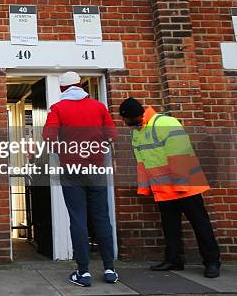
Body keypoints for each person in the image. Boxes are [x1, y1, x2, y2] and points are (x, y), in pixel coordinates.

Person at [119, 98, 221, 278]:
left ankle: (212, 262)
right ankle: (173, 260)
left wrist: (181, 185)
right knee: (170, 226)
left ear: (133, 116)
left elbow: (179, 154)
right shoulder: (138, 132)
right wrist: (145, 187)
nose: (125, 123)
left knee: (200, 224)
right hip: (164, 188)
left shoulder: (165, 123)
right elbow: (141, 163)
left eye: (125, 119)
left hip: (186, 186)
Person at [42, 71, 118, 287]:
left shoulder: (58, 108)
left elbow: (48, 136)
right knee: (102, 218)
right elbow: (112, 136)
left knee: (78, 219)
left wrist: (63, 151)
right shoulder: (98, 107)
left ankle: (83, 272)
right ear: (81, 85)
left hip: (71, 169)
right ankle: (110, 269)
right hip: (96, 168)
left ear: (63, 89)